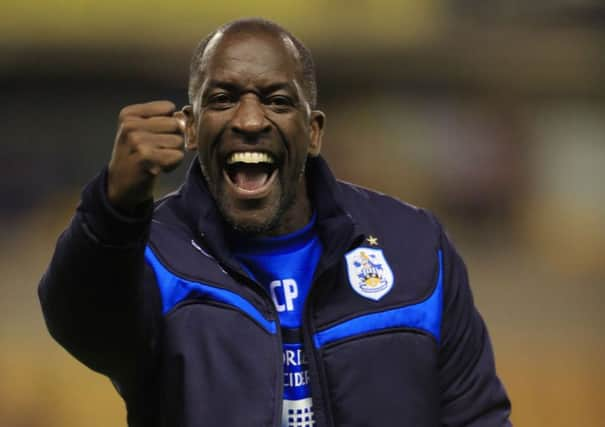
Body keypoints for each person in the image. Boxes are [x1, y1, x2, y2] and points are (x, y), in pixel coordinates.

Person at [38, 18, 511, 427]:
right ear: (190, 125)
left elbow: (475, 415)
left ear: (313, 132)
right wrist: (115, 207)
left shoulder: (414, 249)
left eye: (277, 101)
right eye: (222, 98)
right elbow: (82, 325)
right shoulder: (153, 254)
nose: (248, 120)